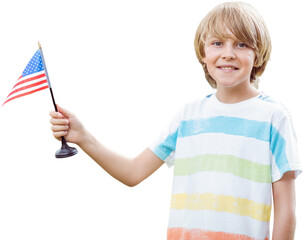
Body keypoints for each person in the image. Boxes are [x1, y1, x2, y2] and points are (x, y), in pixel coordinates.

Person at [50, 2, 301, 240]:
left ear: (258, 56)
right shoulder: (188, 116)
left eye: (242, 44)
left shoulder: (274, 118)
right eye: (217, 43)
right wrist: (83, 138)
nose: (228, 53)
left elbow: (286, 211)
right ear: (203, 53)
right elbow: (133, 172)